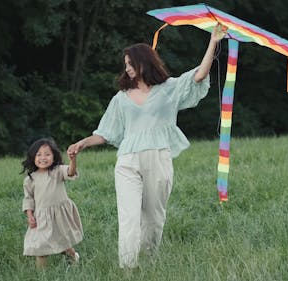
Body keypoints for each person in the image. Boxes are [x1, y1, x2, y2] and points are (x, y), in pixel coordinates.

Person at [67, 24, 227, 268]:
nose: (127, 69)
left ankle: (149, 264)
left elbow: (199, 75)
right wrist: (82, 143)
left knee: (153, 219)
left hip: (158, 159)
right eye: (126, 65)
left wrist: (213, 42)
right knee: (129, 217)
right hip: (128, 162)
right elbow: (106, 132)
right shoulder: (121, 98)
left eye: (131, 63)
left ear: (144, 62)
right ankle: (128, 269)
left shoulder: (169, 89)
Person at [21, 138, 83, 269]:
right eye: (39, 155)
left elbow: (70, 172)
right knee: (40, 248)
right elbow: (28, 199)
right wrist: (29, 215)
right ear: (33, 157)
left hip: (59, 215)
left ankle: (73, 258)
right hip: (41, 218)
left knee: (62, 244)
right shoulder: (30, 179)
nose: (43, 158)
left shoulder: (57, 171)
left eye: (47, 154)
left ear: (54, 157)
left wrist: (73, 160)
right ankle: (42, 276)